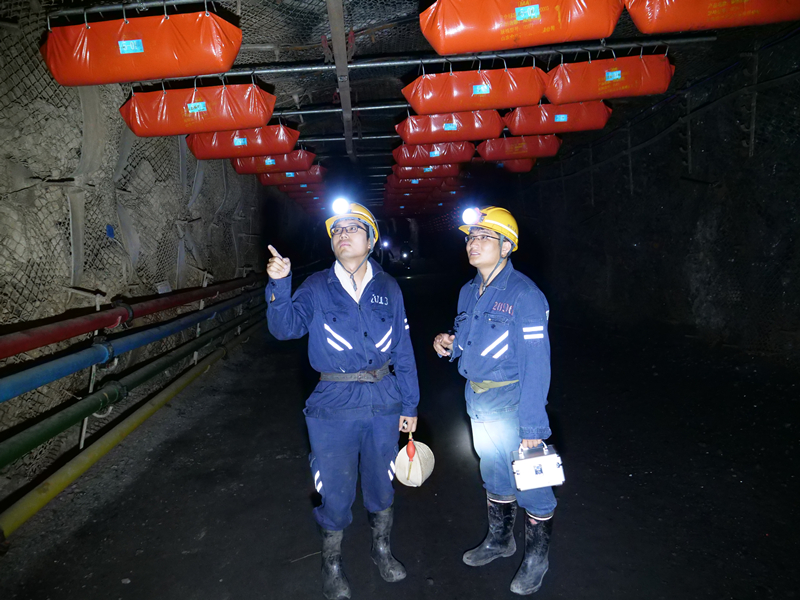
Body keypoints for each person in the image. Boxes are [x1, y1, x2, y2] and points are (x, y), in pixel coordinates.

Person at [266, 200, 420, 600]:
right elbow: (285, 329)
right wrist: (279, 285)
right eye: (337, 230)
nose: (343, 235)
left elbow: (403, 350)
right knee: (334, 490)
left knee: (382, 482)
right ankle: (331, 563)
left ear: (371, 241)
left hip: (384, 398)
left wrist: (410, 405)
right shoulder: (317, 286)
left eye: (353, 228)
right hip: (333, 402)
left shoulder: (389, 287)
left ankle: (381, 549)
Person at [432, 206, 556, 596]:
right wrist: (449, 345)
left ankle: (538, 559)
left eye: (484, 237)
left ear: (506, 246)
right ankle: (501, 540)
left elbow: (537, 365)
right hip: (479, 401)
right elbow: (469, 338)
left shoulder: (525, 295)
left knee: (533, 484)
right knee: (495, 474)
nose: (474, 243)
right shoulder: (468, 291)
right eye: (471, 236)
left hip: (515, 402)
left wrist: (533, 429)